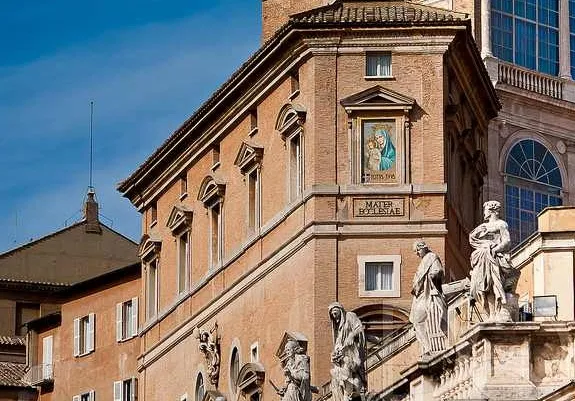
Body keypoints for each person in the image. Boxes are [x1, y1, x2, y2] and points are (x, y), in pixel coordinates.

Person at [469, 200, 519, 322]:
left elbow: (506, 242)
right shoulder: (482, 227)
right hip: (482, 258)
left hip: (494, 258)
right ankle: (490, 315)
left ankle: (496, 313)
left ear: (491, 211)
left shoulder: (501, 224)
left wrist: (494, 250)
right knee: (482, 287)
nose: (484, 213)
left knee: (492, 285)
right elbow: (472, 239)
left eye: (485, 210)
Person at [409, 241, 447, 355]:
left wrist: (432, 275)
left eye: (417, 250)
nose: (417, 253)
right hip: (420, 295)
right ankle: (427, 347)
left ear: (423, 248)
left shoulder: (432, 257)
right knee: (416, 321)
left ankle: (430, 347)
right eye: (415, 251)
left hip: (428, 292)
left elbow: (439, 271)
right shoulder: (423, 261)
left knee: (420, 320)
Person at [328, 302, 366, 401]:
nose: (334, 316)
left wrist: (352, 335)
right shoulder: (338, 327)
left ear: (340, 310)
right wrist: (334, 355)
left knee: (349, 374)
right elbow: (338, 343)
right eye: (332, 314)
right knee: (341, 378)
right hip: (341, 356)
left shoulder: (350, 316)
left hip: (351, 352)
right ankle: (346, 395)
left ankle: (351, 394)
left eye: (335, 313)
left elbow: (360, 328)